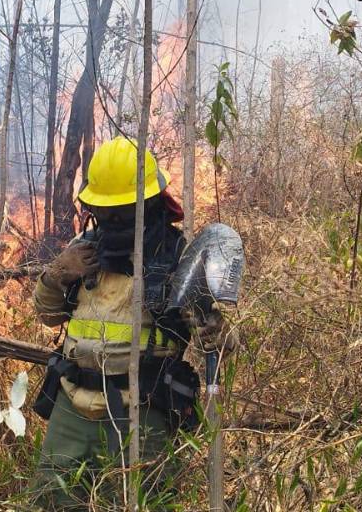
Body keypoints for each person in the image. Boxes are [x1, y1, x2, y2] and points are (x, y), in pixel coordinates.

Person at [28, 136, 236, 510]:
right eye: (106, 212)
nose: (112, 221)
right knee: (51, 501)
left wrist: (213, 329)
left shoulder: (177, 256)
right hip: (72, 405)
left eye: (122, 211)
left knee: (137, 502)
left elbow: (220, 343)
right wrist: (58, 272)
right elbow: (47, 315)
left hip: (140, 409)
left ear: (149, 204)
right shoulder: (84, 247)